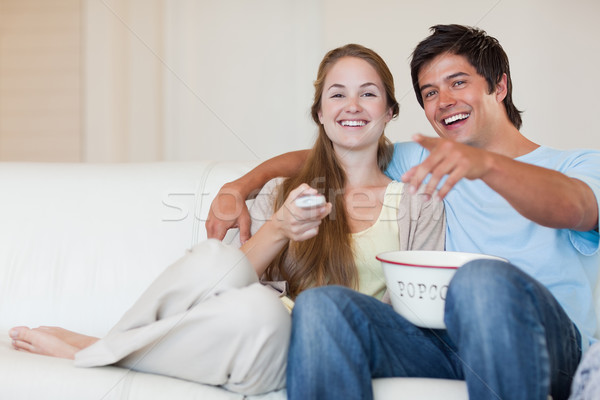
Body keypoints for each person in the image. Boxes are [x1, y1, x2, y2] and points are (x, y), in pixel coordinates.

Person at [8, 44, 444, 395]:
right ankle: (109, 345)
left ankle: (93, 348)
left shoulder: (418, 202)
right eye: (338, 93)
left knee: (268, 313)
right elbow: (227, 285)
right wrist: (279, 228)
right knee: (215, 264)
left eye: (368, 93)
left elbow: (410, 313)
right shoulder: (283, 192)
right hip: (264, 330)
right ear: (319, 114)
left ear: (389, 111)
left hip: (322, 350)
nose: (353, 105)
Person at [205, 25, 600, 400]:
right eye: (429, 93)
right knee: (323, 305)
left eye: (458, 82)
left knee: (481, 279)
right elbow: (340, 147)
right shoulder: (422, 161)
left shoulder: (577, 165)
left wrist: (487, 166)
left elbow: (575, 205)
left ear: (499, 86)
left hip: (546, 345)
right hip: (445, 343)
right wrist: (238, 187)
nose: (444, 101)